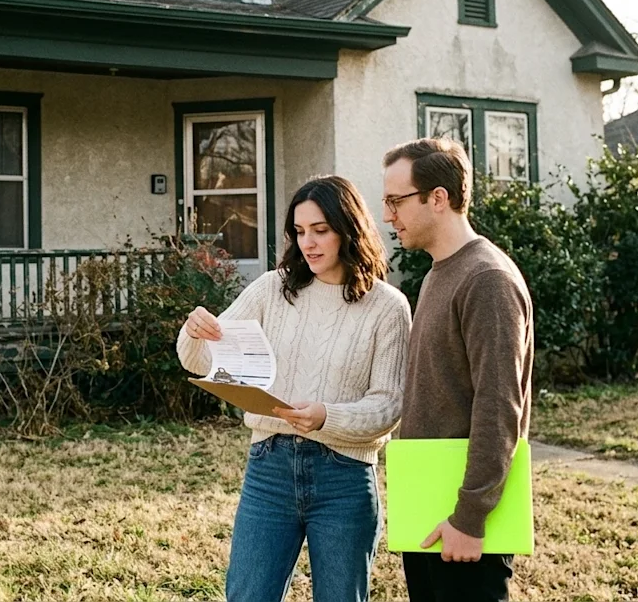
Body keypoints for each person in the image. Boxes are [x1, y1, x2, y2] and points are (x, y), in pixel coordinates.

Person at [178, 175, 411, 602]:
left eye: (321, 230)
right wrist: (194, 332)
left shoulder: (387, 307)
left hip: (344, 476)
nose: (309, 243)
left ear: (349, 229)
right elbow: (204, 361)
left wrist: (327, 416)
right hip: (270, 469)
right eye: (300, 232)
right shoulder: (272, 288)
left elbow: (389, 405)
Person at [381, 138, 534, 602]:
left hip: (463, 521)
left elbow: (499, 406)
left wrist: (470, 517)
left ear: (438, 198)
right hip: (429, 504)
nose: (388, 215)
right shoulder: (438, 272)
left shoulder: (486, 279)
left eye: (395, 201)